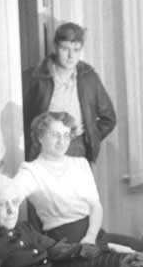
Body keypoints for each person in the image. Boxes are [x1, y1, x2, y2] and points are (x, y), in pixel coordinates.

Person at [13, 112, 143, 254]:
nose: (61, 141)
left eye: (66, 135)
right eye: (55, 135)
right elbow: (11, 197)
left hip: (93, 235)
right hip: (65, 244)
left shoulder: (80, 164)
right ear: (40, 137)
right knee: (128, 262)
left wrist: (91, 237)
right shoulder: (31, 171)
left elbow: (95, 206)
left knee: (142, 249)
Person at [23, 21, 116, 163]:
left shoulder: (88, 76)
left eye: (77, 50)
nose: (71, 56)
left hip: (77, 147)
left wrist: (88, 138)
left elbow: (109, 118)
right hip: (45, 149)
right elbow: (23, 119)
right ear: (55, 47)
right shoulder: (36, 77)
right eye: (65, 49)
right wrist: (36, 143)